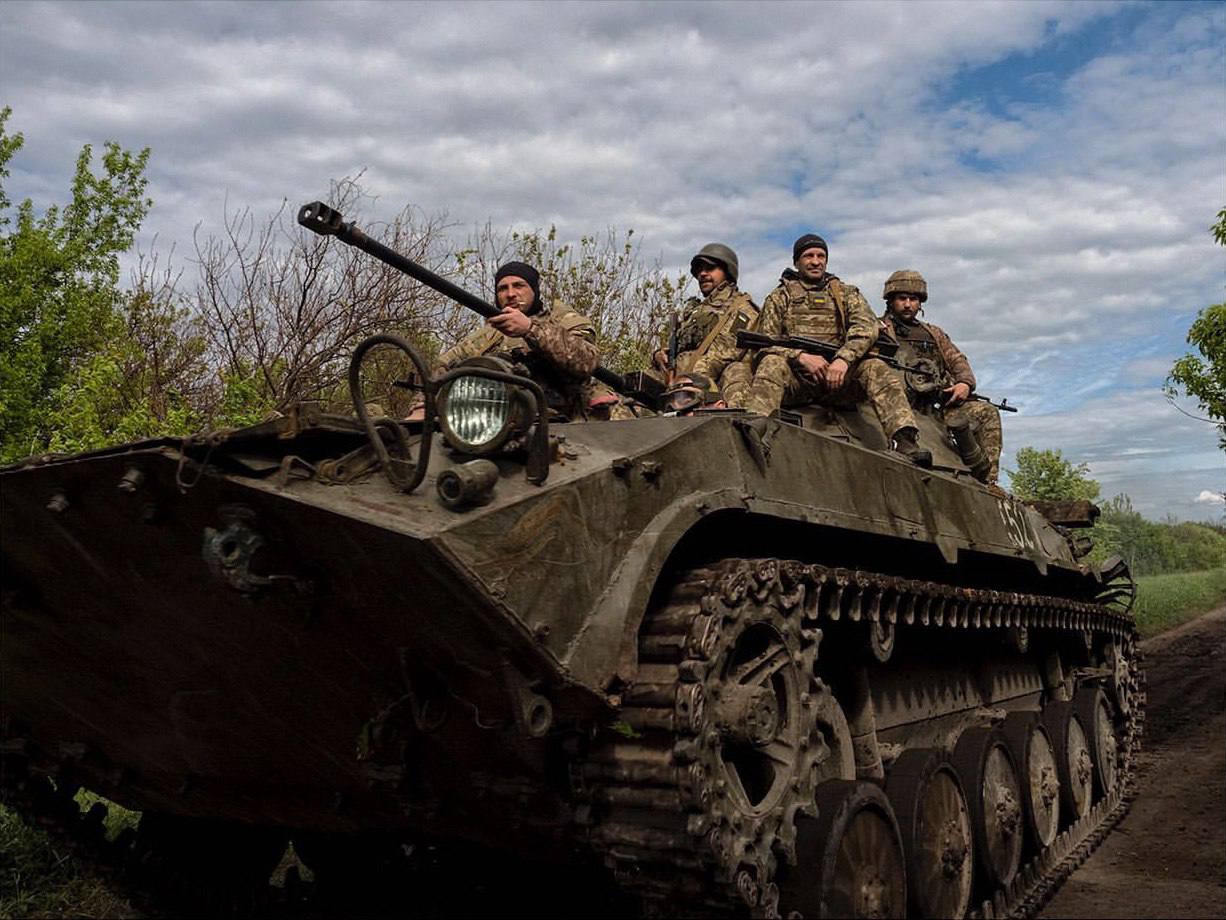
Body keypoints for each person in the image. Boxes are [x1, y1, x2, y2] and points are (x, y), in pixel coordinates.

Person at [742, 234, 931, 465]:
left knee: (875, 367)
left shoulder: (846, 294)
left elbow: (866, 329)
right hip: (798, 382)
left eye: (820, 256)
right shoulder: (780, 297)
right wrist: (799, 356)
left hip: (840, 381)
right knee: (771, 363)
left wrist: (843, 359)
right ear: (797, 262)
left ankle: (905, 440)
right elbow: (764, 346)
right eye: (808, 256)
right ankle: (753, 431)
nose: (815, 261)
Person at [414, 261, 599, 418]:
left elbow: (586, 361)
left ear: (534, 290)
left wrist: (530, 329)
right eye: (503, 288)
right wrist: (422, 407)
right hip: (493, 422)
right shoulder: (489, 335)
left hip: (563, 420)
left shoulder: (565, 321)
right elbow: (441, 368)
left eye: (519, 286)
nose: (510, 294)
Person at [880, 269, 1003, 483]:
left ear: (921, 303)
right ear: (891, 301)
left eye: (914, 299)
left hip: (937, 406)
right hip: (898, 404)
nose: (908, 304)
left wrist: (964, 384)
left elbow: (957, 360)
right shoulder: (878, 328)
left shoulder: (934, 334)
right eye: (902, 298)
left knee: (986, 412)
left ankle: (988, 482)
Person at [654, 243, 759, 406]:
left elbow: (724, 353)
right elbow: (679, 349)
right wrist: (659, 356)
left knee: (737, 371)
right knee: (633, 385)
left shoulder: (742, 307)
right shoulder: (695, 312)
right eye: (699, 270)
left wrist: (686, 380)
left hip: (713, 381)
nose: (702, 274)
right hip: (678, 378)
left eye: (710, 268)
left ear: (728, 271)